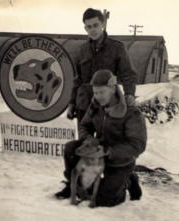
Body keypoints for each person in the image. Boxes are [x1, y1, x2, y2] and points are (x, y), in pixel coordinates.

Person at [55, 69, 147, 207]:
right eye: (95, 92)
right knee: (71, 148)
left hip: (119, 160)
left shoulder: (131, 112)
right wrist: (89, 140)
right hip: (97, 151)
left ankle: (128, 180)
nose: (98, 96)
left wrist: (108, 151)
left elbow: (137, 145)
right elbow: (84, 125)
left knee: (105, 200)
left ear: (112, 88)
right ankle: (73, 184)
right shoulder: (96, 106)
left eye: (101, 92)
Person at [67, 8, 138, 132]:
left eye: (95, 25)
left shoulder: (117, 48)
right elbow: (77, 79)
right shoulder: (82, 50)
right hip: (84, 105)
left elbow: (128, 74)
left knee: (105, 144)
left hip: (106, 105)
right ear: (85, 29)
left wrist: (129, 93)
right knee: (85, 144)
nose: (92, 29)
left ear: (103, 25)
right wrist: (72, 103)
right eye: (88, 27)